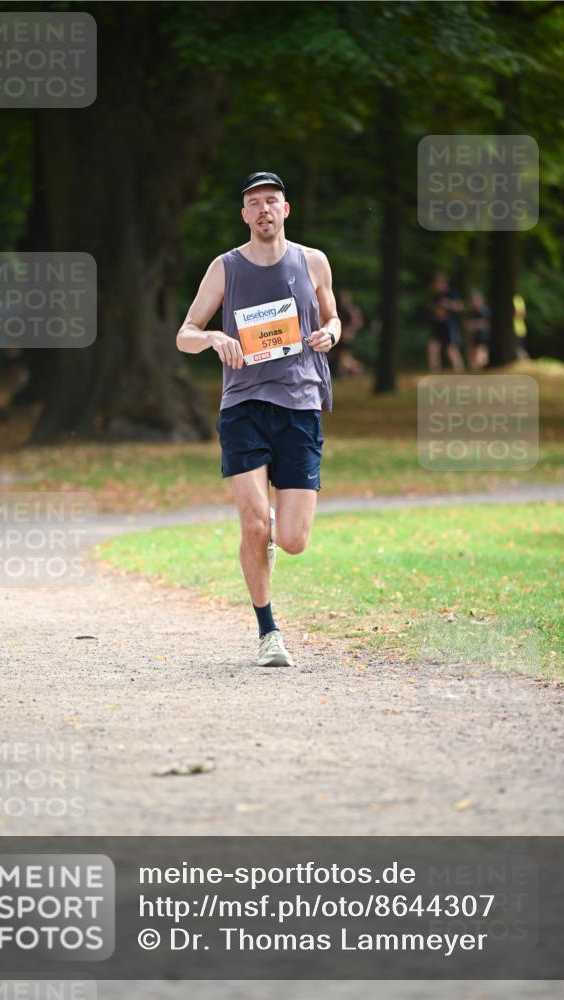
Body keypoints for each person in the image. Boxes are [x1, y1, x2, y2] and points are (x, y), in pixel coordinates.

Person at [177, 171, 340, 667]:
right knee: (253, 527)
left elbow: (333, 317)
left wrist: (330, 334)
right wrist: (212, 339)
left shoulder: (312, 261)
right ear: (244, 214)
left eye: (272, 201)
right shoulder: (225, 268)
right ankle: (268, 631)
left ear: (285, 209)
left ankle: (271, 530)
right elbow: (185, 332)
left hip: (301, 406)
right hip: (244, 405)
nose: (264, 209)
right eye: (254, 203)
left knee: (291, 540)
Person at [427, 272, 464, 372]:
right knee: (433, 347)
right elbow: (434, 310)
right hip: (438, 325)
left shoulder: (451, 293)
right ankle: (434, 372)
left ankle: (459, 371)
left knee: (451, 349)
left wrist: (447, 304)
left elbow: (459, 307)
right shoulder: (436, 296)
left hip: (450, 325)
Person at [329, 288, 364, 378]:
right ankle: (344, 373)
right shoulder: (341, 310)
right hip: (341, 337)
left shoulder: (352, 311)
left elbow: (357, 323)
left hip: (347, 338)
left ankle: (355, 370)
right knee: (343, 357)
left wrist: (350, 331)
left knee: (344, 356)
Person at [466, 291, 490, 370]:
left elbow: (486, 324)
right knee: (472, 353)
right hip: (474, 336)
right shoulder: (471, 311)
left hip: (482, 336)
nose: (473, 302)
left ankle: (481, 369)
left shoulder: (485, 310)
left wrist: (475, 324)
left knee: (480, 353)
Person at [514, 293, 529, 360]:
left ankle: (526, 364)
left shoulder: (517, 299)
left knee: (519, 349)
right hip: (517, 330)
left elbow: (521, 314)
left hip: (518, 330)